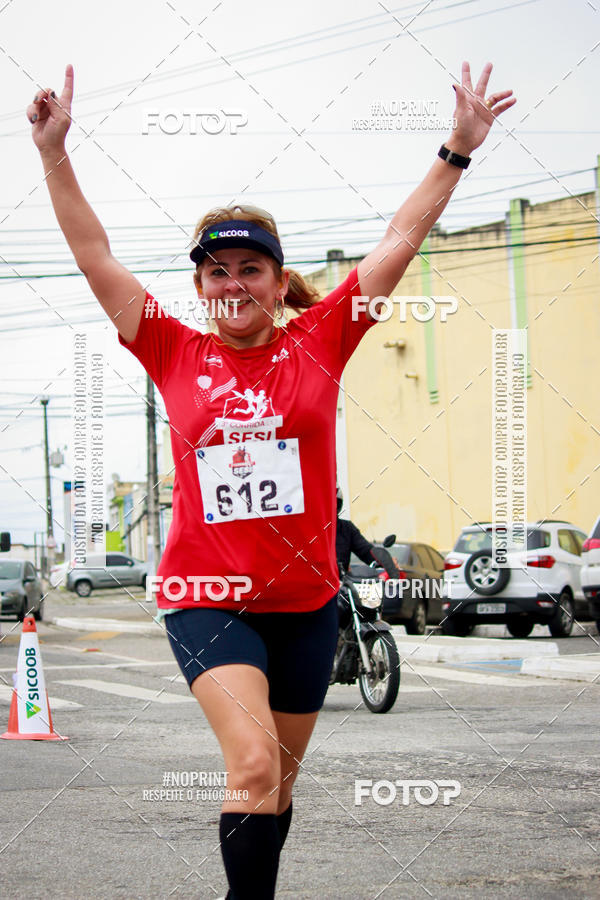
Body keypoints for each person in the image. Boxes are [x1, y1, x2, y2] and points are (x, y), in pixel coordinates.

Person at [27, 61, 515, 899]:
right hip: (206, 596)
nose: (233, 284)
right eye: (217, 272)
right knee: (251, 764)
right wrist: (53, 154)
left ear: (279, 282)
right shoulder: (172, 349)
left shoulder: (321, 340)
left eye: (250, 269)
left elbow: (399, 240)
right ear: (200, 288)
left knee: (276, 786)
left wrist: (457, 150)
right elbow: (92, 252)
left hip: (306, 606)